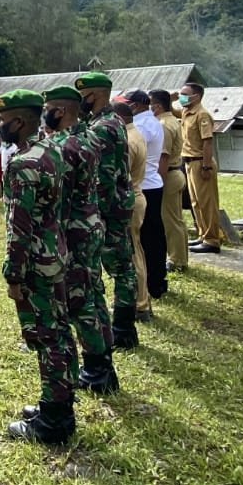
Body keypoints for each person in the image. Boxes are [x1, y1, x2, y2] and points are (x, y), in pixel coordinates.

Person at [0, 89, 77, 444]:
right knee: (59, 330)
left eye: (4, 120)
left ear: (20, 121)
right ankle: (58, 402)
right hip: (55, 254)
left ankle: (54, 421)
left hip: (35, 264)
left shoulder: (23, 163)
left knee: (47, 337)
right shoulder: (52, 150)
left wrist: (14, 274)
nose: (1, 127)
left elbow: (20, 227)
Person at [43, 86, 118, 394]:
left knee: (78, 300)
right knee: (93, 292)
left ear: (59, 112)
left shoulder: (62, 146)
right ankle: (103, 362)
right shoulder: (87, 139)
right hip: (90, 223)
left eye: (48, 108)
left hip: (72, 229)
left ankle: (97, 369)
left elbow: (56, 196)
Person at [74, 71, 138, 350]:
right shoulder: (106, 121)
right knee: (122, 266)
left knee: (120, 268)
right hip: (115, 204)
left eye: (83, 95)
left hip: (107, 207)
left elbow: (103, 176)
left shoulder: (104, 126)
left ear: (95, 95)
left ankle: (122, 328)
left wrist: (91, 210)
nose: (81, 101)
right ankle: (124, 328)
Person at [126, 90, 167, 309]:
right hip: (153, 183)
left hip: (144, 185)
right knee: (155, 235)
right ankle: (157, 280)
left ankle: (152, 283)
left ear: (136, 105)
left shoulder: (140, 127)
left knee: (145, 240)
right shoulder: (153, 122)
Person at [113, 102, 150, 322]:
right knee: (136, 250)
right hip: (136, 195)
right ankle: (141, 300)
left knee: (131, 254)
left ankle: (139, 304)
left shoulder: (127, 140)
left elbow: (119, 175)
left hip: (129, 199)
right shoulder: (135, 134)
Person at [177, 82, 222, 253]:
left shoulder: (202, 115)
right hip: (189, 162)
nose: (181, 96)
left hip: (200, 162)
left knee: (207, 202)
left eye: (185, 94)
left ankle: (212, 240)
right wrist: (173, 97)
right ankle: (203, 235)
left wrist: (206, 166)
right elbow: (170, 109)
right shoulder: (186, 112)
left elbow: (207, 142)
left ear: (196, 96)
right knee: (196, 202)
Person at [150, 90, 189, 273]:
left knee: (170, 220)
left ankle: (177, 260)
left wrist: (159, 182)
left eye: (151, 105)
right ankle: (180, 256)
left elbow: (163, 158)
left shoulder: (164, 124)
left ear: (157, 106)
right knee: (176, 219)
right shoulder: (173, 120)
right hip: (175, 173)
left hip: (169, 175)